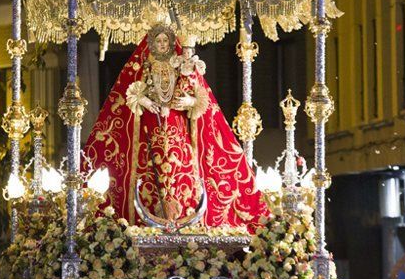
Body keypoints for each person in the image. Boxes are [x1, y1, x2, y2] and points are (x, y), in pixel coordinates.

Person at [84, 23, 269, 230]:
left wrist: (190, 102)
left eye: (165, 41)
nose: (162, 45)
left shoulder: (184, 65)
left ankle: (188, 215)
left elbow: (201, 98)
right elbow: (131, 93)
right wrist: (146, 102)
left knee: (184, 172)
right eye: (158, 41)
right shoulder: (143, 65)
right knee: (146, 172)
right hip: (149, 128)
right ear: (151, 43)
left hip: (179, 130)